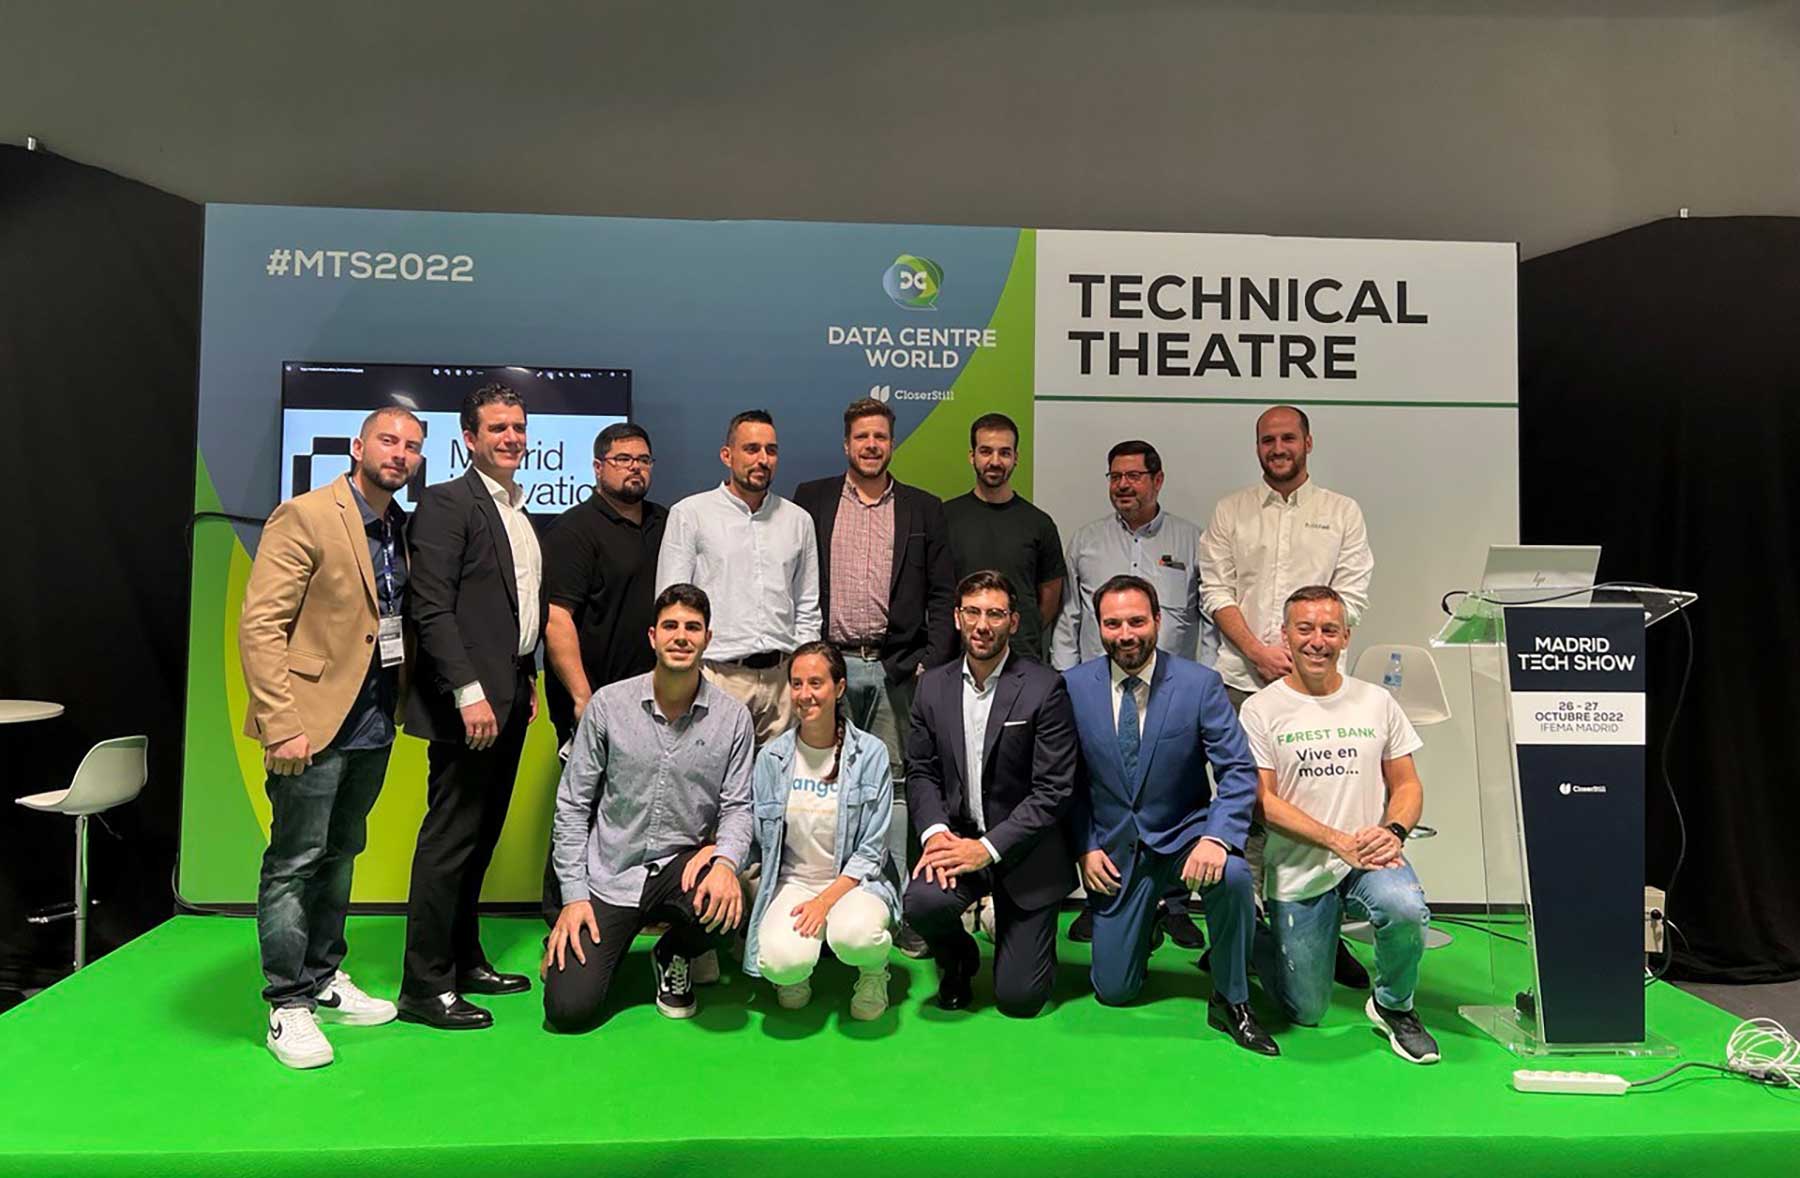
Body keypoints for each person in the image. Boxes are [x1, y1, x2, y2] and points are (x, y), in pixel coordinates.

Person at [239, 407, 424, 1069]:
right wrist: (281, 722)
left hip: (375, 721)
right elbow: (261, 625)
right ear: (357, 445)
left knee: (342, 852)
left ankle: (323, 977)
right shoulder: (308, 514)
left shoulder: (400, 528)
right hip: (308, 724)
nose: (398, 453)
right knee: (294, 861)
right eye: (388, 440)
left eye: (411, 446)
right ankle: (286, 1003)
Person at [1200, 404, 1376, 989]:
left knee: (1318, 815)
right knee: (1246, 812)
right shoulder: (1231, 511)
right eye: (1267, 440)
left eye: (1287, 438)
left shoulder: (1342, 512)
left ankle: (1323, 933)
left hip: (1318, 689)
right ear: (1257, 447)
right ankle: (1245, 936)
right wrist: (1257, 649)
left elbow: (1351, 596)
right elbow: (1214, 589)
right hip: (1239, 681)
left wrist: (1303, 657)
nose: (1277, 447)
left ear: (1307, 442)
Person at [1063, 575, 1276, 1055]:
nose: (1126, 634)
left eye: (1137, 621)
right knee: (1114, 991)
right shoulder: (1074, 687)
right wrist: (1085, 845)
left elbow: (1238, 771)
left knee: (1236, 875)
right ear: (1099, 627)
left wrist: (1217, 838)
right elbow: (1066, 782)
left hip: (1186, 835)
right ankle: (1148, 923)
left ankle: (1232, 997)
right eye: (1113, 623)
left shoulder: (1199, 685)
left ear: (1158, 621)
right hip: (1117, 849)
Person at [399, 383, 547, 1030]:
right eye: (497, 429)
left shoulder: (517, 509)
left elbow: (511, 609)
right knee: (450, 840)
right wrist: (469, 693)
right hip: (471, 708)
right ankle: (424, 986)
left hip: (512, 695)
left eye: (517, 427)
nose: (511, 438)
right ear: (469, 438)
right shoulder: (444, 503)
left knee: (479, 839)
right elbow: (431, 609)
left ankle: (463, 961)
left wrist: (528, 677)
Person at [542, 584, 754, 1031]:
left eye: (692, 628)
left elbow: (738, 807)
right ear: (652, 636)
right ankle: (577, 945)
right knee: (569, 1010)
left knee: (729, 898)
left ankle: (675, 951)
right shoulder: (608, 706)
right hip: (611, 872)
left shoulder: (733, 718)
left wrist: (725, 863)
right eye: (671, 626)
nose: (682, 636)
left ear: (707, 639)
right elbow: (573, 806)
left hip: (681, 869)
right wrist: (574, 897)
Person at [1242, 586, 1438, 1064]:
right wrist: (1335, 840)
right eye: (1304, 629)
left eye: (1329, 630)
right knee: (1305, 1011)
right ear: (1285, 637)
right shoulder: (1260, 710)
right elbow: (1261, 801)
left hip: (1369, 855)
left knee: (1407, 909)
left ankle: (1395, 1006)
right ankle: (1257, 940)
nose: (1317, 641)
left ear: (1346, 636)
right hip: (1299, 865)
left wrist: (1391, 831)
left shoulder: (1376, 702)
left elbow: (1408, 784)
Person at [1051, 440, 1213, 948]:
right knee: (1104, 792)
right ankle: (1104, 901)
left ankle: (1174, 903)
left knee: (1173, 794)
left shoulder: (1192, 540)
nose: (1123, 485)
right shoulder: (1086, 541)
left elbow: (1205, 620)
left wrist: (1200, 686)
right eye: (1115, 476)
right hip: (1103, 692)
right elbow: (1068, 621)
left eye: (1134, 476)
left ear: (1157, 480)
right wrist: (1066, 686)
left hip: (1171, 696)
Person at [903, 571, 1078, 1018]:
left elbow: (1053, 791)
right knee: (921, 901)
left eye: (995, 614)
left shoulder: (1045, 688)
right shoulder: (931, 687)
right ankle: (958, 957)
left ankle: (1022, 941)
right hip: (958, 840)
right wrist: (936, 834)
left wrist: (988, 848)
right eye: (974, 612)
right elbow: (921, 771)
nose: (983, 625)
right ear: (958, 618)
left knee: (1020, 1000)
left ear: (1014, 622)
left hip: (1024, 854)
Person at [538, 422, 667, 925]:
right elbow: (557, 618)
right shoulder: (573, 530)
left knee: (637, 806)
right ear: (597, 468)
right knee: (579, 806)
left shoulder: (665, 523)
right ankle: (562, 915)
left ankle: (632, 910)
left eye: (643, 459)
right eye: (623, 459)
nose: (635, 468)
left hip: (653, 700)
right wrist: (580, 696)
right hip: (591, 700)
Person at [792, 397, 955, 770]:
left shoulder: (924, 508)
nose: (871, 445)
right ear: (846, 444)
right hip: (830, 666)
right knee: (824, 772)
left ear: (892, 444)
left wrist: (929, 663)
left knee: (895, 776)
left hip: (895, 669)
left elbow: (943, 593)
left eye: (880, 436)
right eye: (862, 436)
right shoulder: (812, 499)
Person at [742, 641, 902, 1020]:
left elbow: (872, 851)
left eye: (816, 683)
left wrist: (824, 902)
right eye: (796, 684)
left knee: (856, 937)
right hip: (794, 883)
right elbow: (754, 842)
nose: (805, 694)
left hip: (855, 883)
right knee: (780, 966)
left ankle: (874, 971)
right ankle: (798, 968)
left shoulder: (871, 754)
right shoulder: (771, 759)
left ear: (839, 688)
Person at [656, 409, 820, 746]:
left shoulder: (798, 521)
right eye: (751, 449)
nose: (762, 459)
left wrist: (800, 673)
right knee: (709, 787)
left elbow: (807, 604)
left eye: (771, 451)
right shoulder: (690, 514)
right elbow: (670, 604)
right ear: (727, 455)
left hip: (781, 681)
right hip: (717, 676)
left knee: (777, 788)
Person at [941, 412, 1066, 663]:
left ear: (1016, 458)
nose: (995, 461)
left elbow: (1050, 595)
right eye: (986, 451)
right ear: (972, 456)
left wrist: (1018, 630)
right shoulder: (944, 518)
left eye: (1005, 453)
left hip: (1022, 656)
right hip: (958, 655)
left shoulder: (1039, 523)